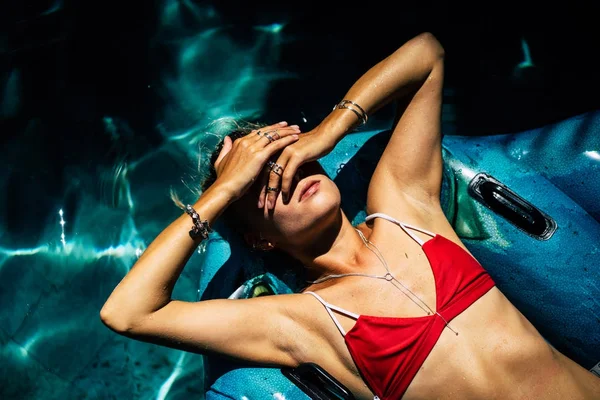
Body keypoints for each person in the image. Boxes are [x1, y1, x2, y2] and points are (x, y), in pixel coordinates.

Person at [100, 32, 600, 399]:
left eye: (285, 156)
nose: (288, 171)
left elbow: (427, 55)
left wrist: (327, 131)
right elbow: (128, 312)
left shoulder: (404, 205)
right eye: (265, 181)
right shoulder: (297, 323)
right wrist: (226, 187)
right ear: (260, 241)